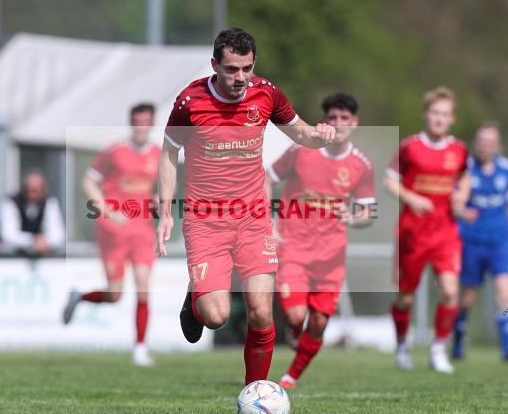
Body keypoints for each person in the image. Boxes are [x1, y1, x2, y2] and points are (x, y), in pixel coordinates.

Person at [156, 27, 336, 385]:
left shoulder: (266, 94)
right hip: (205, 221)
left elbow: (300, 133)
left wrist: (320, 135)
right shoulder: (190, 101)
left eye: (247, 68)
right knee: (216, 316)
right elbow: (168, 153)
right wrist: (165, 212)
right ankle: (196, 298)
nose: (240, 78)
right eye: (231, 69)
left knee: (261, 312)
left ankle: (255, 392)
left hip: (253, 219)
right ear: (214, 65)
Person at [268, 92, 376, 389]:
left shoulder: (361, 165)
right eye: (333, 118)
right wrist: (267, 220)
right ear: (324, 121)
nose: (338, 124)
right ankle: (292, 329)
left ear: (354, 123)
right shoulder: (302, 150)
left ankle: (291, 377)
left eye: (344, 118)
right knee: (295, 314)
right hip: (293, 247)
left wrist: (353, 217)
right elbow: (266, 177)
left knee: (318, 323)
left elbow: (369, 210)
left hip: (330, 256)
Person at [62, 103, 160, 368]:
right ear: (131, 123)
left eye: (146, 121)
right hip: (113, 231)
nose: (141, 126)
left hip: (142, 230)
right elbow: (88, 182)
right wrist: (107, 210)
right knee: (115, 295)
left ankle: (140, 348)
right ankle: (79, 297)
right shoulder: (115, 152)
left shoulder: (157, 154)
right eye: (137, 121)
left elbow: (151, 192)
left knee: (143, 286)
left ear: (151, 124)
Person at [384, 87, 470, 374]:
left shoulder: (458, 150)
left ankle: (438, 350)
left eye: (445, 114)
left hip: (446, 232)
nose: (439, 119)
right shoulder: (410, 147)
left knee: (450, 291)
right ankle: (402, 346)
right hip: (413, 233)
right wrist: (411, 197)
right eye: (435, 113)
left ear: (452, 119)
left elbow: (466, 176)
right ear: (426, 114)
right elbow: (389, 181)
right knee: (406, 297)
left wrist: (462, 196)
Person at [453, 122, 508, 362]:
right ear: (476, 143)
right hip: (471, 241)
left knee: (505, 295)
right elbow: (456, 200)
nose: (485, 146)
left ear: (498, 145)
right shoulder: (466, 169)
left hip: (499, 243)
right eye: (482, 142)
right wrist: (461, 212)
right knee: (467, 298)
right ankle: (458, 342)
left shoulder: (507, 169)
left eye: (490, 142)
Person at [0, 172, 65, 257]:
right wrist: (33, 241)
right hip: (8, 257)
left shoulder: (50, 203)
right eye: (29, 189)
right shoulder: (9, 202)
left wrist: (44, 242)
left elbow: (58, 235)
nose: (32, 194)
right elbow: (8, 235)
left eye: (36, 190)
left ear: (43, 190)